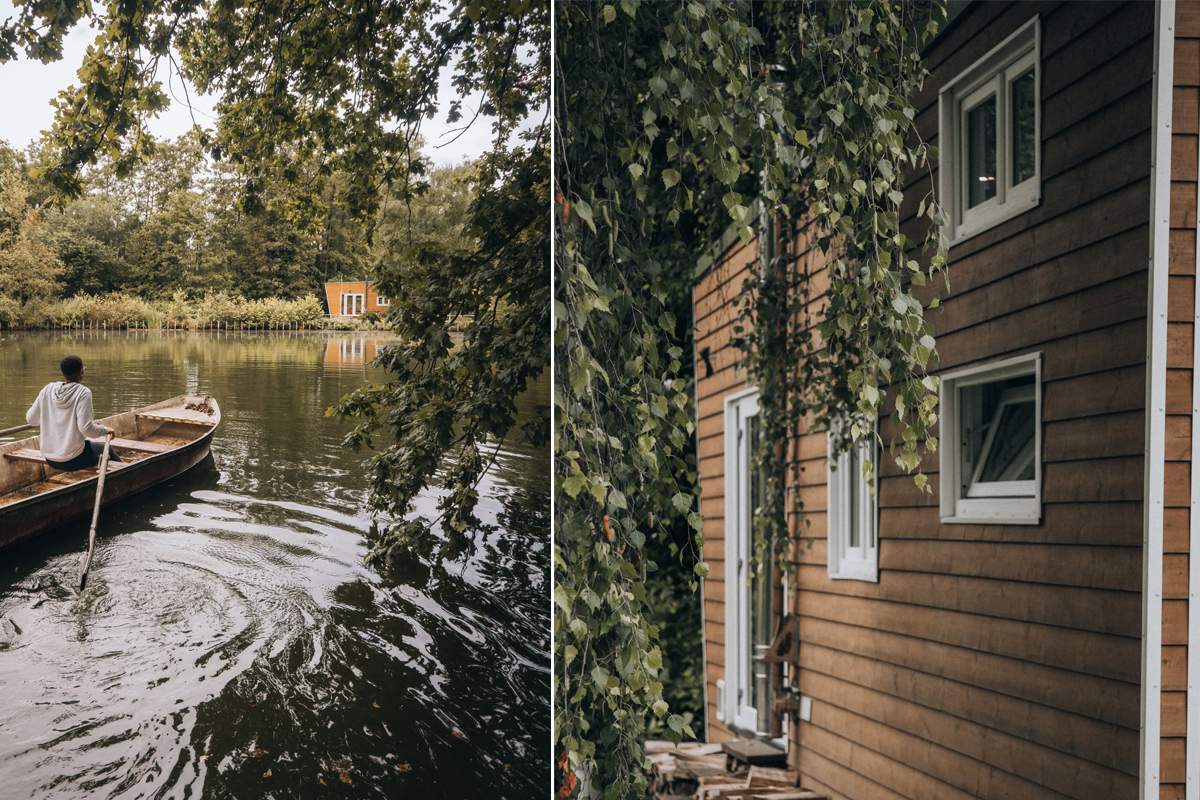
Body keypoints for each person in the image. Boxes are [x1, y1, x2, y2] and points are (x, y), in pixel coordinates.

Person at [24, 355, 122, 470]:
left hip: (50, 459)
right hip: (74, 458)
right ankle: (126, 476)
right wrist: (105, 430)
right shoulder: (83, 393)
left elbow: (31, 419)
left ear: (62, 372)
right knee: (108, 449)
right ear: (81, 372)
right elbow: (86, 429)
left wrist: (52, 416)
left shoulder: (48, 389)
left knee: (89, 445)